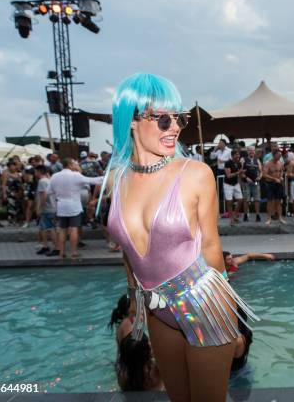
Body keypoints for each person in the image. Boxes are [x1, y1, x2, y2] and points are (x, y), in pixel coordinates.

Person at [102, 72, 257, 402]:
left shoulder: (195, 174)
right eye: (162, 119)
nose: (174, 127)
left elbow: (212, 247)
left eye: (179, 118)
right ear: (131, 120)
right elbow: (128, 251)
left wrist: (227, 315)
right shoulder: (117, 179)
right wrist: (134, 298)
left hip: (205, 303)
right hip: (155, 307)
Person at [50, 157, 103, 258]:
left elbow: (50, 191)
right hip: (73, 206)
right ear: (70, 164)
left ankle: (61, 253)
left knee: (62, 229)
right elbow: (94, 180)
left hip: (61, 206)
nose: (77, 164)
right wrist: (109, 176)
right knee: (74, 228)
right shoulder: (75, 175)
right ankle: (74, 252)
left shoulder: (55, 176)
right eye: (75, 163)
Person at [34, 165, 58, 255]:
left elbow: (44, 195)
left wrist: (40, 208)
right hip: (51, 207)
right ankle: (45, 246)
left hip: (47, 208)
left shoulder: (42, 181)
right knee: (44, 228)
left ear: (39, 172)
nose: (34, 173)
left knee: (50, 228)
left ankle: (56, 248)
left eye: (35, 171)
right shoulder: (49, 180)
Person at [262, 150, 286, 225]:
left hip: (278, 183)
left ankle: (280, 218)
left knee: (279, 201)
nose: (280, 156)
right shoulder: (268, 163)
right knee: (270, 202)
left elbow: (282, 171)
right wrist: (274, 178)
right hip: (270, 183)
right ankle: (269, 218)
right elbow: (264, 175)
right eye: (278, 155)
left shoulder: (280, 163)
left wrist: (281, 176)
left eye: (280, 155)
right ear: (274, 155)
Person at [240, 145, 262, 222]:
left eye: (253, 150)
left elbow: (261, 171)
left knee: (257, 199)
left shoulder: (257, 160)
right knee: (246, 199)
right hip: (246, 182)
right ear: (247, 151)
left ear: (255, 151)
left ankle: (257, 215)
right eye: (250, 150)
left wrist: (260, 177)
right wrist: (246, 178)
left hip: (255, 182)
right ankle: (245, 215)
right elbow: (240, 172)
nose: (251, 152)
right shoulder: (243, 159)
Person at [223, 149, 245, 226]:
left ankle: (235, 216)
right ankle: (231, 219)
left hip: (236, 184)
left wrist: (243, 174)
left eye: (238, 154)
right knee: (229, 202)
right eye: (236, 154)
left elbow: (240, 175)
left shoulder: (239, 164)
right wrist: (238, 173)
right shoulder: (228, 163)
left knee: (240, 200)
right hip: (228, 184)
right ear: (232, 156)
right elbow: (228, 176)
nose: (238, 156)